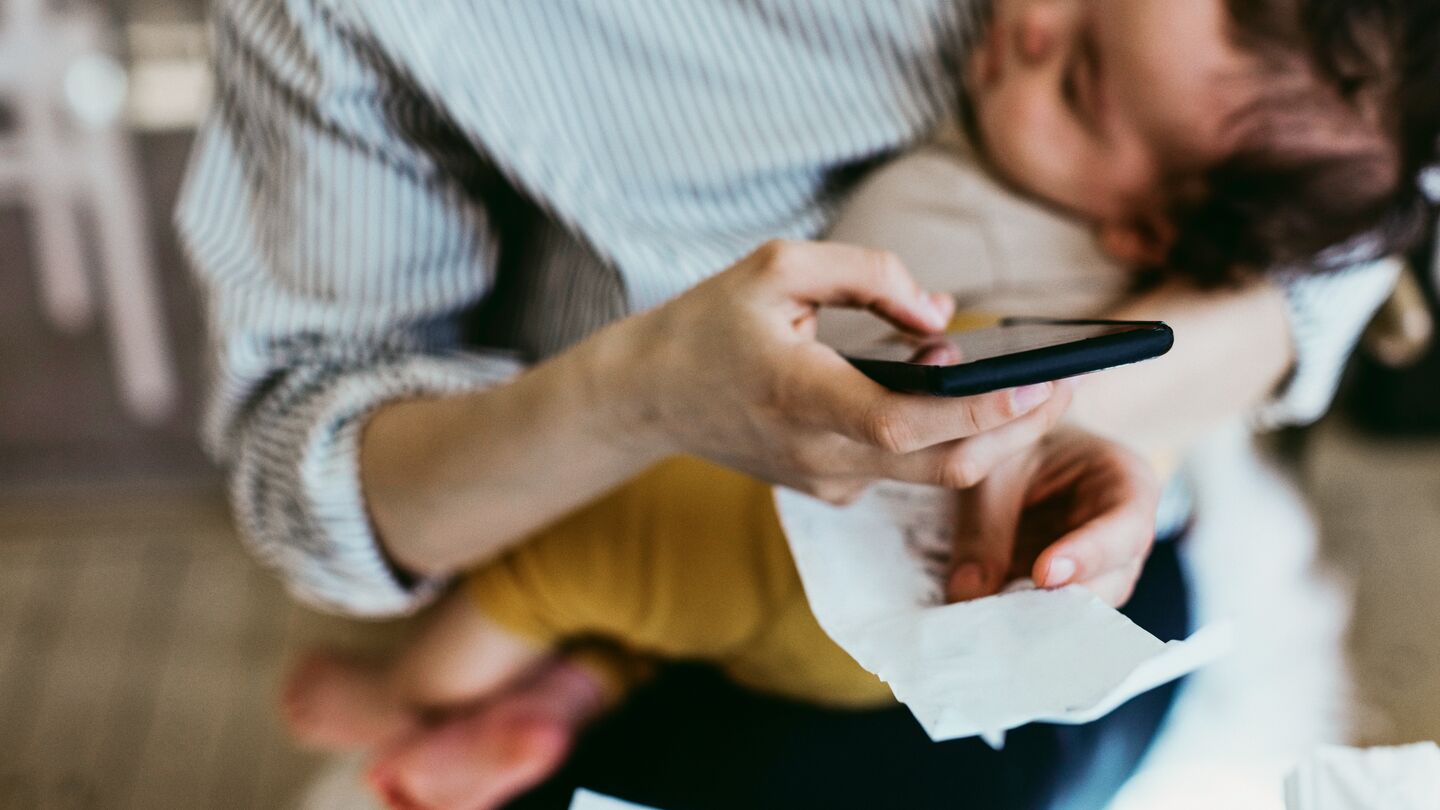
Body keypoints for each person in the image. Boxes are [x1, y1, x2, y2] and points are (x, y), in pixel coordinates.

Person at [176, 0, 1438, 807]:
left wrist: (1098, 411)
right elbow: (312, 460)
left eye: (1086, 81)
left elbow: (1344, 229)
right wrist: (637, 395)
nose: (1032, 17)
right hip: (778, 553)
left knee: (584, 573)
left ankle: (431, 690)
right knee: (622, 583)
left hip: (954, 598)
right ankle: (558, 690)